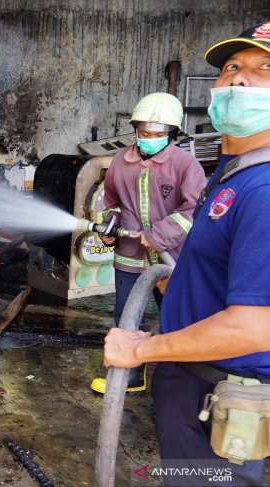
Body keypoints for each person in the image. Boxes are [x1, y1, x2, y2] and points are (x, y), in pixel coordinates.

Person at [103, 20, 270, 486]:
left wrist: (144, 348)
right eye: (232, 66)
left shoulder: (262, 187)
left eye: (265, 69)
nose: (239, 78)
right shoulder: (233, 172)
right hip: (192, 377)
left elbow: (256, 325)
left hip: (225, 388)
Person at [90, 92, 206, 394]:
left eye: (157, 134)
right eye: (144, 133)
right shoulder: (121, 161)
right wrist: (110, 226)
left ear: (171, 135)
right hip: (130, 257)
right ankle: (130, 376)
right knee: (127, 316)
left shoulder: (185, 165)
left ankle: (179, 382)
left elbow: (193, 211)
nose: (149, 139)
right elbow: (111, 202)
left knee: (177, 317)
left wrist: (157, 235)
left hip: (172, 259)